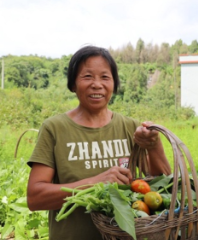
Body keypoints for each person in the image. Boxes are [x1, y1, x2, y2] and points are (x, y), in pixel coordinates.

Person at [27, 45, 171, 240]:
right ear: (73, 84)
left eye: (105, 77)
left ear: (114, 84)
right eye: (87, 77)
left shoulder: (130, 127)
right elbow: (35, 197)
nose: (97, 84)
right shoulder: (55, 128)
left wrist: (154, 145)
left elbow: (162, 188)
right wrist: (95, 182)